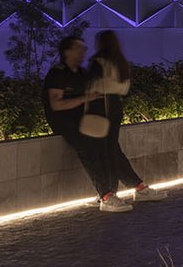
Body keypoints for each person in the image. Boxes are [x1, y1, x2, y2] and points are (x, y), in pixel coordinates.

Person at [43, 35, 129, 212]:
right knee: (88, 148)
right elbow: (56, 105)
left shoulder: (82, 73)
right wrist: (84, 99)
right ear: (67, 51)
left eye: (84, 48)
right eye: (79, 48)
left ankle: (109, 192)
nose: (84, 52)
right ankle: (106, 196)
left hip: (82, 119)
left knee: (105, 148)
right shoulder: (58, 73)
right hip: (63, 121)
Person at [87, 30, 166, 203]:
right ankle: (121, 189)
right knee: (111, 148)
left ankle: (115, 191)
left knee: (106, 151)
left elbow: (89, 85)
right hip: (116, 105)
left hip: (100, 106)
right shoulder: (121, 63)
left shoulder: (98, 62)